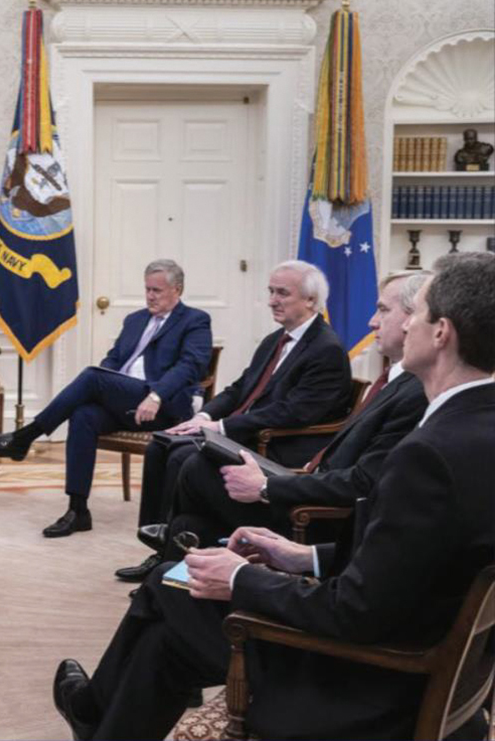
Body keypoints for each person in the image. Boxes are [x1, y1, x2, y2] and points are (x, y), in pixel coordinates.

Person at [51, 252, 495, 740]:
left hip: (371, 680)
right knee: (171, 608)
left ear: (441, 333)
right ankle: (95, 720)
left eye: (417, 313)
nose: (399, 325)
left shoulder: (431, 454)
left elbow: (354, 611)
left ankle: (93, 712)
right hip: (415, 646)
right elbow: (412, 560)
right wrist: (304, 557)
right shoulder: (473, 427)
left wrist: (242, 579)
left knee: (172, 588)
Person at [116, 260, 353, 581]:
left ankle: (174, 546)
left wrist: (221, 428)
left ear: (311, 300)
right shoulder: (276, 339)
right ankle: (160, 541)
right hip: (249, 433)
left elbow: (294, 413)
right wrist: (205, 415)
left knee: (186, 456)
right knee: (163, 443)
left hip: (278, 446)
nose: (272, 300)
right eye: (270, 291)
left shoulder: (326, 348)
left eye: (282, 293)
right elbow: (241, 388)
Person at [165, 271, 431, 552]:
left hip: (318, 513)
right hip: (311, 481)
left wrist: (268, 487)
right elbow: (242, 387)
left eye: (383, 310)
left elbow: (363, 480)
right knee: (187, 518)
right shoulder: (396, 380)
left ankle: (191, 558)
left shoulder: (414, 391)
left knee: (196, 467)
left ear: (414, 319)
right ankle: (180, 553)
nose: (372, 322)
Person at [0, 259, 212, 538]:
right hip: (128, 401)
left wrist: (156, 395)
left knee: (92, 377)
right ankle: (78, 510)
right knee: (84, 414)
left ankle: (25, 436)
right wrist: (105, 385)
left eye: (157, 290)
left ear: (177, 290)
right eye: (147, 289)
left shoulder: (195, 321)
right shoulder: (135, 320)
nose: (150, 296)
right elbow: (114, 359)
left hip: (163, 405)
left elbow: (191, 366)